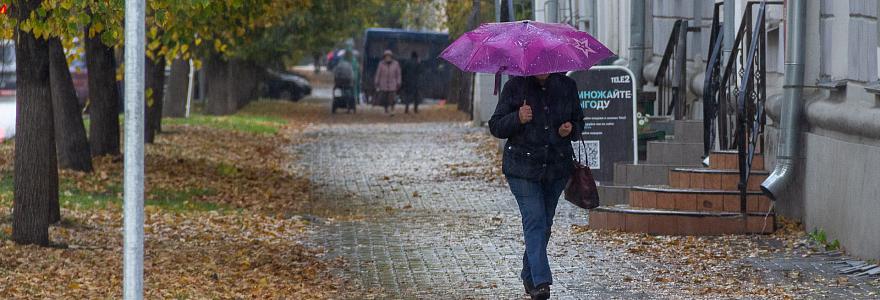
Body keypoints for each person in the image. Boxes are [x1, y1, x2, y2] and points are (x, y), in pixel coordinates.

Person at [488, 73, 583, 300]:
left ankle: (528, 274)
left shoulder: (567, 86)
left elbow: (579, 122)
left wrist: (570, 129)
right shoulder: (515, 87)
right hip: (522, 169)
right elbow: (496, 126)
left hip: (556, 169)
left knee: (544, 224)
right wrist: (517, 118)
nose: (543, 69)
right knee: (535, 220)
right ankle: (541, 282)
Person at [373, 49, 401, 114]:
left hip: (392, 84)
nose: (387, 57)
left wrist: (398, 82)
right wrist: (376, 82)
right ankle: (386, 109)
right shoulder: (381, 64)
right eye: (386, 56)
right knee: (384, 98)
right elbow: (378, 73)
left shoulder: (396, 64)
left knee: (392, 98)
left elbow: (398, 74)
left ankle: (392, 109)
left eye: (389, 56)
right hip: (383, 83)